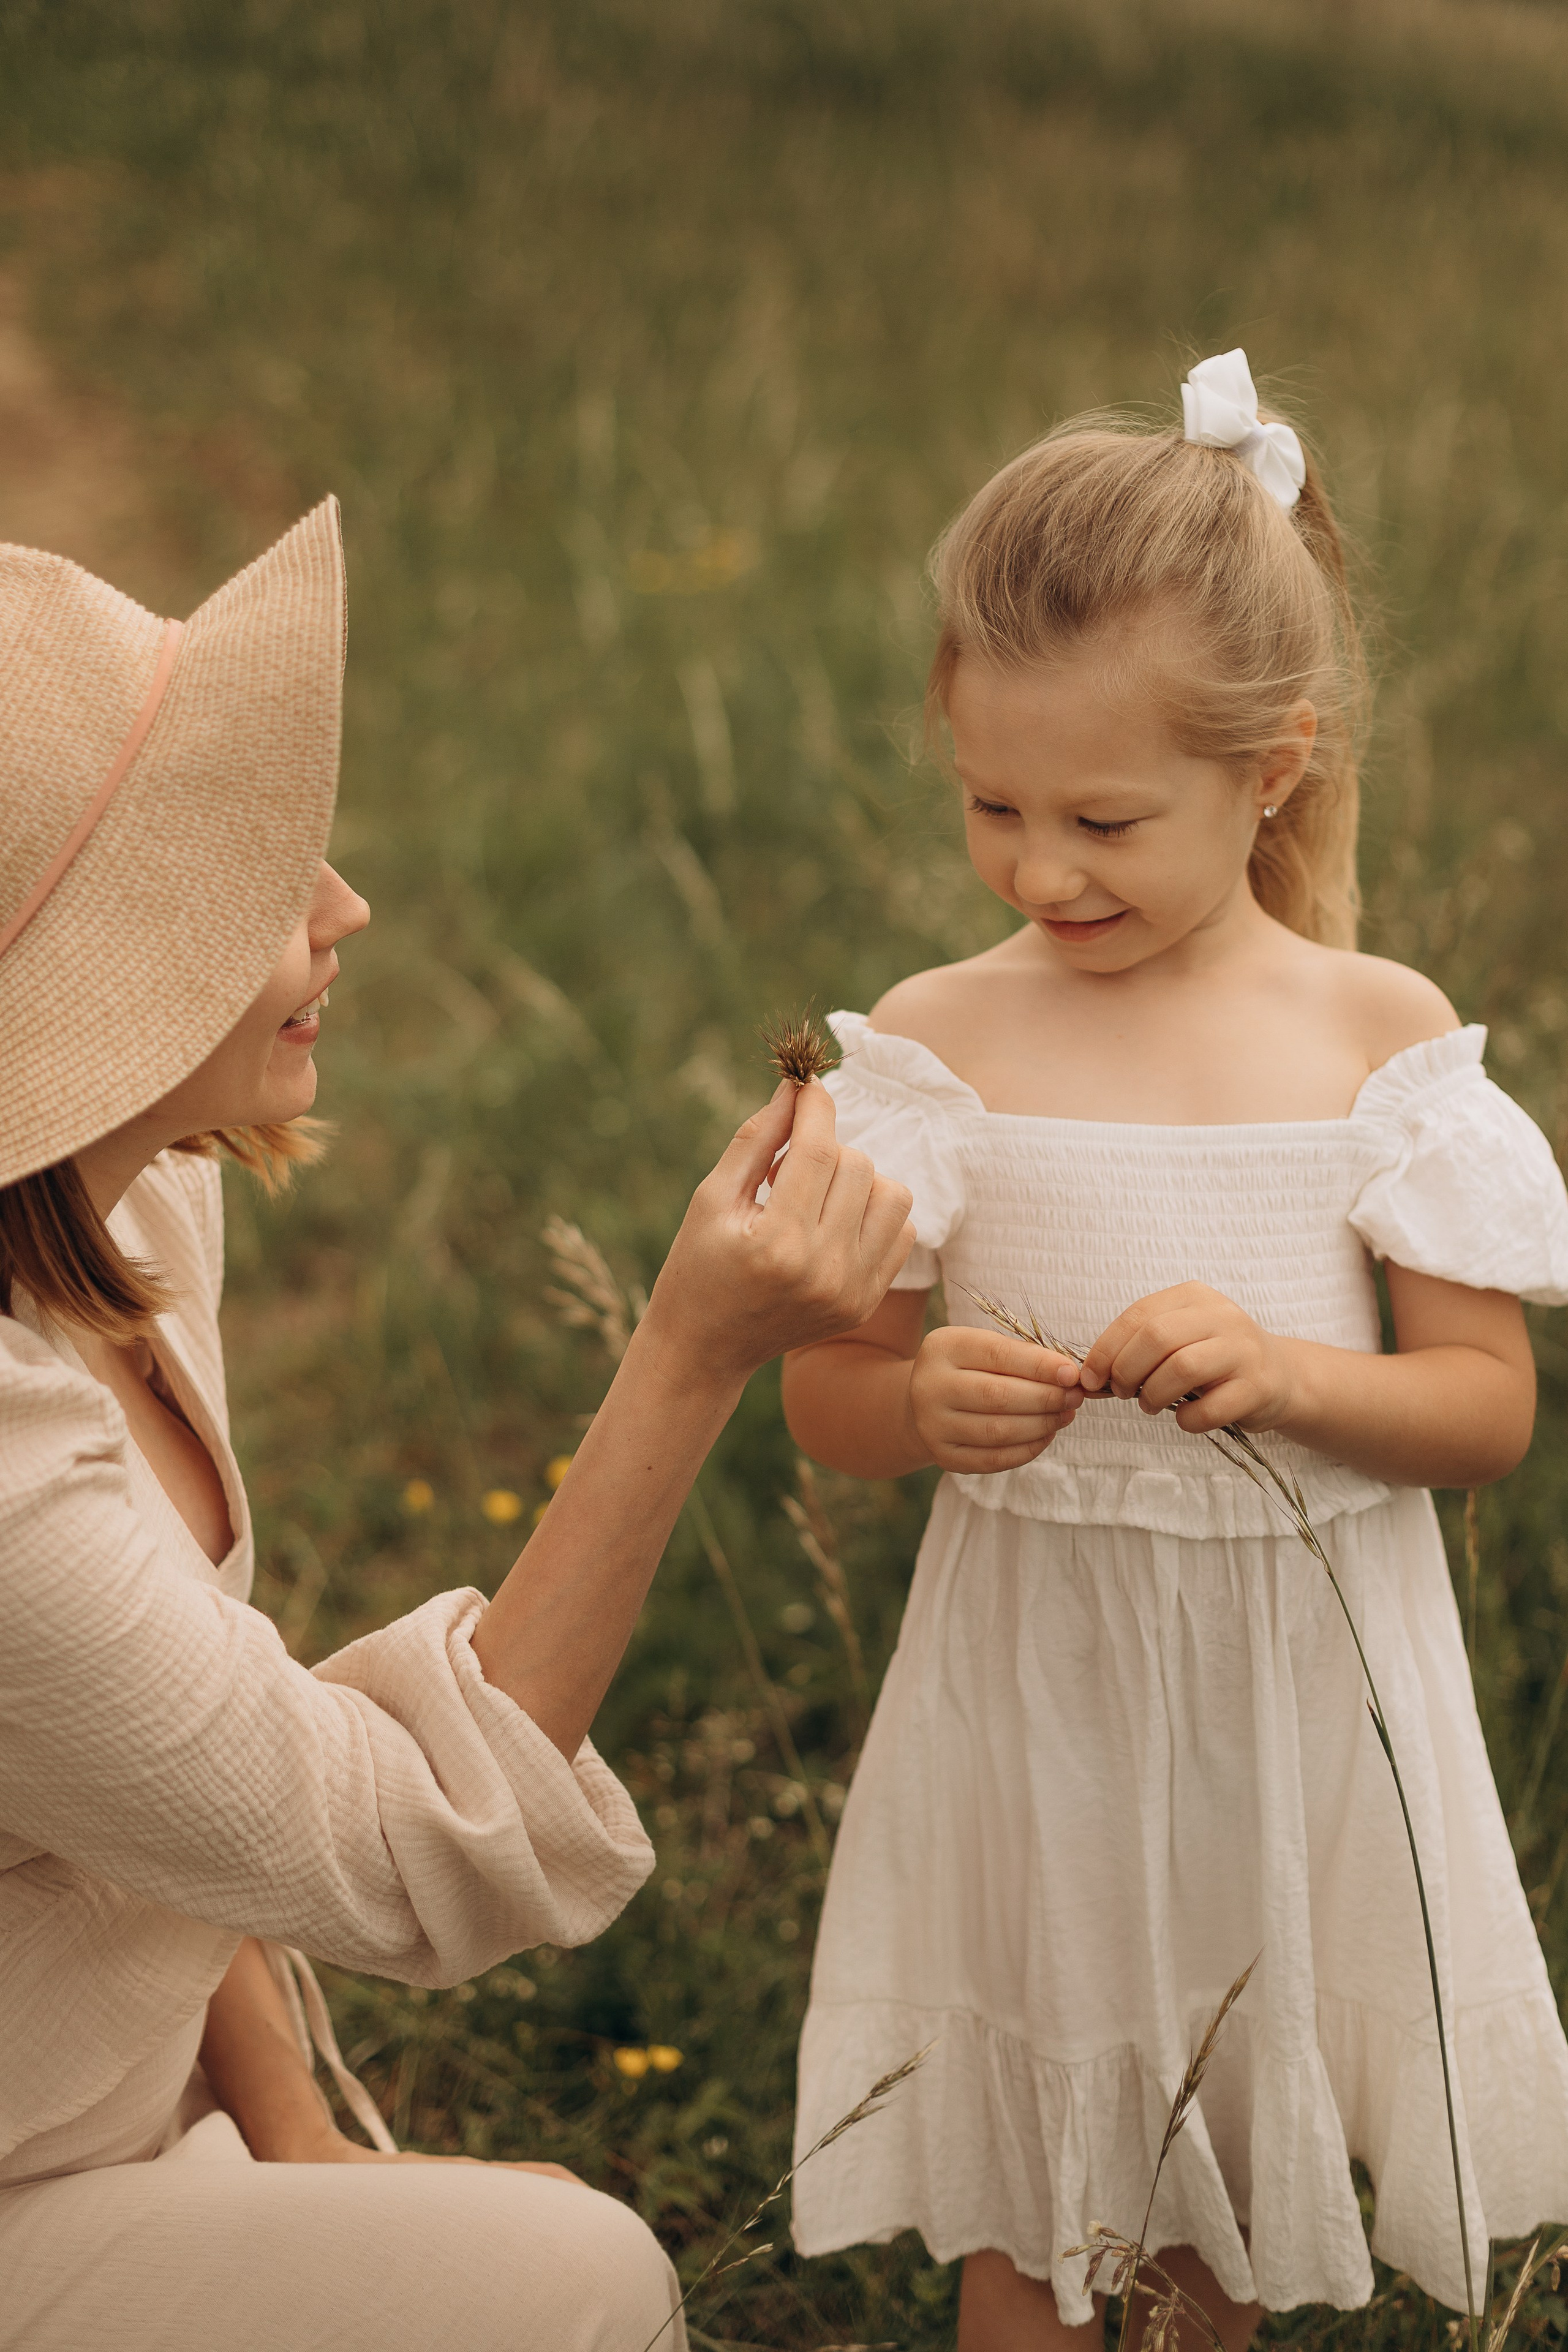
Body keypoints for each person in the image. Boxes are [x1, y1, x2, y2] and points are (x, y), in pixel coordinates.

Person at [0, 499, 914, 2351]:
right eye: (251, 888)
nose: (345, 909)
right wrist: (690, 1352)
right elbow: (405, 1844)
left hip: (100, 2116)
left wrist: (301, 2139)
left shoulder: (139, 1203)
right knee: (588, 2288)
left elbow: (160, 1758)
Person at [782, 352, 1568, 2351]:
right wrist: (916, 1403)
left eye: (1105, 820)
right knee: (1041, 2200)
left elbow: (1484, 1413)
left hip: (1288, 1715)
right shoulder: (938, 1041)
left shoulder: (1374, 1040)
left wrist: (1292, 1376)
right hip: (1041, 1705)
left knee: (1219, 2183)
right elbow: (827, 1394)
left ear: (1273, 768)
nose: (1041, 872)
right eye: (993, 806)